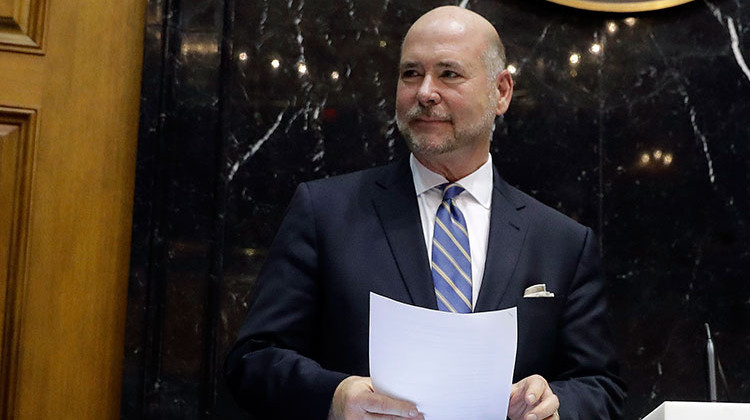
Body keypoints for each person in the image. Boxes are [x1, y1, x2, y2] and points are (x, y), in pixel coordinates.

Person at [225, 5, 625, 420]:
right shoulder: (325, 213)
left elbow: (600, 386)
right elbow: (253, 360)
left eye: (449, 73)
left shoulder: (561, 241)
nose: (424, 92)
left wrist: (557, 407)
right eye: (411, 73)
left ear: (501, 92)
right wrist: (334, 397)